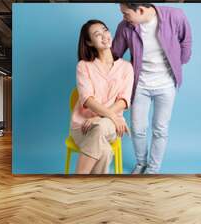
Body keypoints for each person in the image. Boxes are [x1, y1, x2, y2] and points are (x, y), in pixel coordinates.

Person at [112, 3, 192, 174]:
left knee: (160, 128)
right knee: (138, 128)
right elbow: (114, 54)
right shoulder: (125, 27)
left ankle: (153, 169)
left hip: (166, 84)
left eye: (126, 14)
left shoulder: (175, 15)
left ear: (140, 10)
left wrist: (179, 62)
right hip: (140, 84)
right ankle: (141, 163)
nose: (124, 17)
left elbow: (186, 40)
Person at [70, 19, 134, 174]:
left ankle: (75, 185)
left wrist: (100, 119)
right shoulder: (84, 66)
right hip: (83, 126)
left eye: (105, 30)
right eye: (97, 34)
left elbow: (124, 101)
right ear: (89, 42)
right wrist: (110, 116)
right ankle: (96, 193)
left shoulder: (126, 67)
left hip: (111, 126)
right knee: (104, 151)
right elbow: (88, 99)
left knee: (100, 127)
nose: (104, 36)